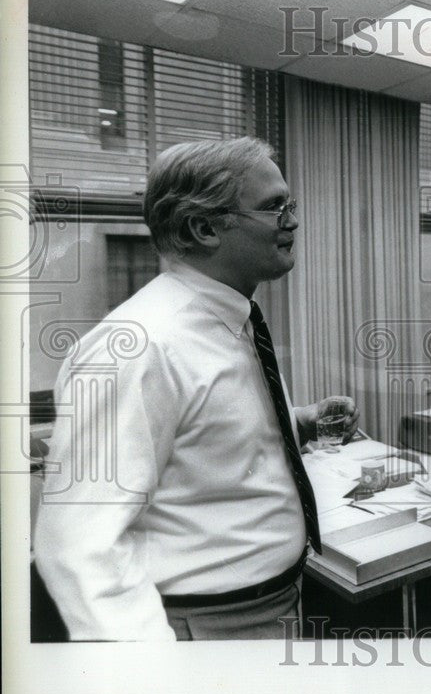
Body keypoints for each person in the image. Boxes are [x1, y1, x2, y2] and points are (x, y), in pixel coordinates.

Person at [34, 137, 359, 641]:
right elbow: (79, 546)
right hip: (205, 626)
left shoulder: (230, 316)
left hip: (274, 603)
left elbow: (203, 443)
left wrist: (301, 421)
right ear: (204, 228)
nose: (292, 220)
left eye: (289, 204)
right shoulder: (140, 346)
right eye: (274, 207)